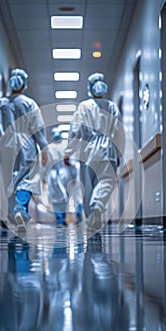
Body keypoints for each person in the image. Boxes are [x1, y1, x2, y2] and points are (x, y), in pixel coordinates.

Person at [65, 72, 125, 232]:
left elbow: (75, 131)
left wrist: (69, 151)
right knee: (106, 181)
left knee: (88, 187)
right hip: (107, 150)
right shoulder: (111, 106)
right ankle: (98, 206)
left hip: (87, 151)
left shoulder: (83, 106)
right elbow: (118, 131)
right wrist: (118, 153)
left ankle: (92, 219)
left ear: (90, 88)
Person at [0, 68, 48, 231]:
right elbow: (38, 128)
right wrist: (44, 148)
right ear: (24, 84)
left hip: (6, 146)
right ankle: (20, 209)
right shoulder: (29, 103)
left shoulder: (0, 104)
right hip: (26, 145)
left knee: (9, 182)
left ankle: (14, 216)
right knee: (26, 179)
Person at [43, 127, 83, 227]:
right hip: (66, 174)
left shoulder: (49, 148)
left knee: (58, 199)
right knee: (73, 197)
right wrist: (75, 175)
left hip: (53, 176)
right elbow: (72, 162)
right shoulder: (65, 147)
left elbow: (44, 165)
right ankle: (77, 215)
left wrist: (44, 179)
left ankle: (61, 220)